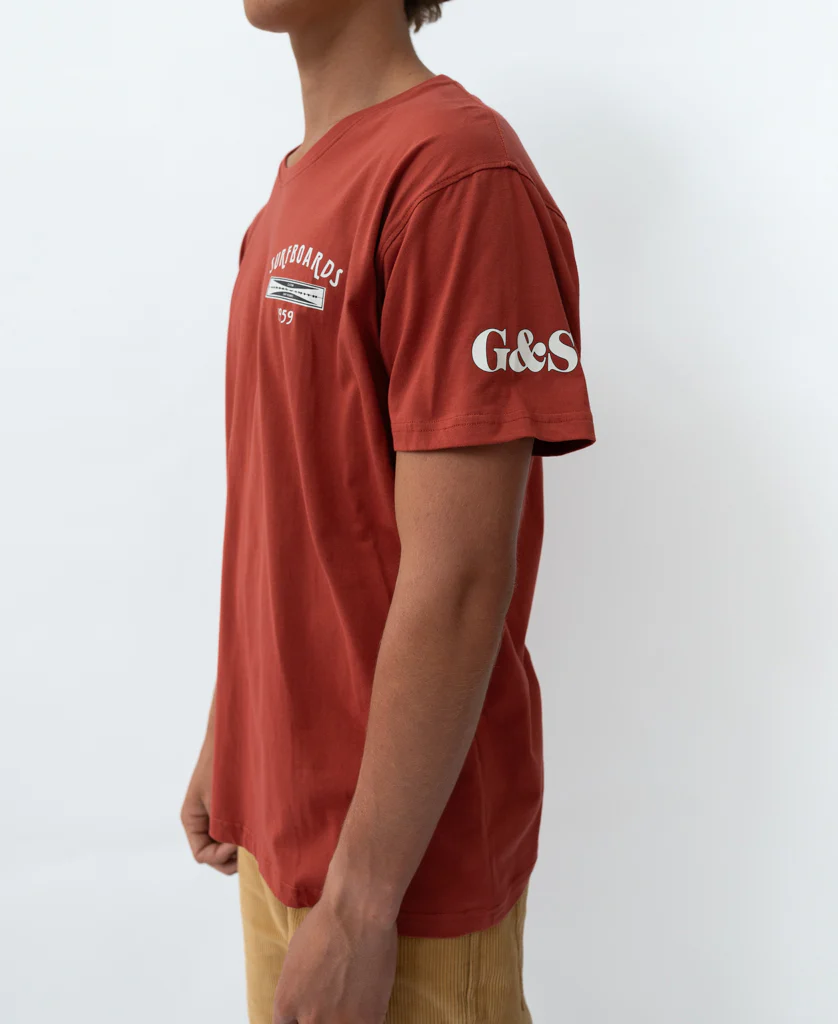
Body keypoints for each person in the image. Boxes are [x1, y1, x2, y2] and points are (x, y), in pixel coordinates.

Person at [180, 0, 596, 1020]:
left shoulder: (458, 175)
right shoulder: (292, 187)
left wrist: (362, 903)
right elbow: (295, 507)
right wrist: (233, 728)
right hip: (282, 833)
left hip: (401, 879)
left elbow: (460, 579)